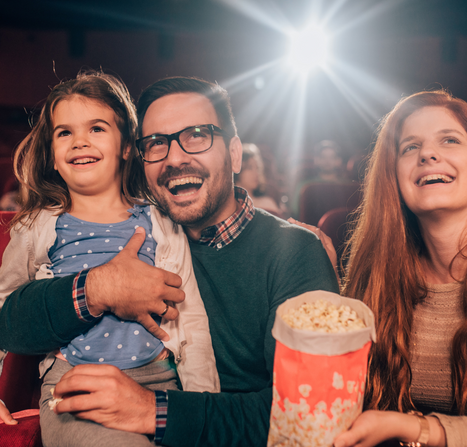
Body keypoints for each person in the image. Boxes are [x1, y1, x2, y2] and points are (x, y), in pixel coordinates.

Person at [0, 76, 338, 446]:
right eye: (158, 144)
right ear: (140, 156)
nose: (175, 158)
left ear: (236, 153)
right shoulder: (148, 236)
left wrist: (153, 410)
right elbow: (12, 321)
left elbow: (311, 414)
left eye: (198, 135)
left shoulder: (293, 251)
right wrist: (98, 287)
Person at [0, 72, 219, 446]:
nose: (79, 141)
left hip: (159, 378)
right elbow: (6, 307)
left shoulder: (161, 222)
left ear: (126, 147)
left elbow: (192, 319)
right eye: (64, 133)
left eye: (97, 128)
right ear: (52, 155)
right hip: (76, 384)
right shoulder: (36, 227)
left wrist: (203, 408)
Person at [334, 90, 467, 447]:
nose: (428, 154)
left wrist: (416, 429)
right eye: (410, 147)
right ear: (393, 178)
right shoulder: (380, 276)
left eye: (449, 140)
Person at [234, 143, 284, 216]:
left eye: (257, 168)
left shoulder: (268, 203)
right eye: (249, 167)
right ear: (237, 171)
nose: (256, 173)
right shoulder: (228, 206)